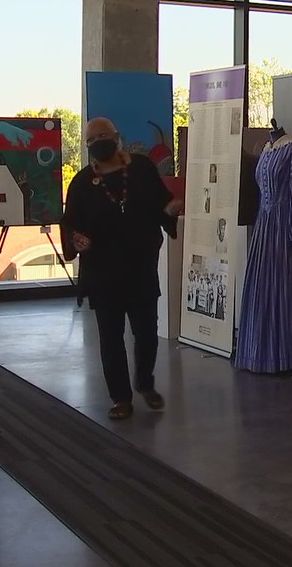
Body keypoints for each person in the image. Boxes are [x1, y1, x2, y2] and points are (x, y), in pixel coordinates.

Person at [62, 118, 184, 420]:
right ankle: (120, 398)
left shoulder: (141, 168)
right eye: (91, 139)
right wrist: (76, 239)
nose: (98, 142)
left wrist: (170, 210)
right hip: (102, 273)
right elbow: (70, 223)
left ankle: (144, 382)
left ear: (117, 137)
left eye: (103, 136)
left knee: (146, 334)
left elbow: (162, 203)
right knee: (111, 338)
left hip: (140, 267)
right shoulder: (81, 182)